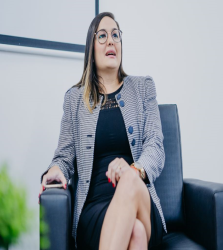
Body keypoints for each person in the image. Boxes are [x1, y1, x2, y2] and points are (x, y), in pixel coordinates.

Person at [39, 12, 167, 250]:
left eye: (116, 35)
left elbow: (155, 147)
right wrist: (55, 169)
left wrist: (133, 170)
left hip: (141, 199)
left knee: (129, 181)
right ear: (91, 47)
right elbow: (64, 156)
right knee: (136, 232)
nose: (111, 41)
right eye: (103, 36)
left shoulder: (143, 88)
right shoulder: (74, 99)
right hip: (95, 209)